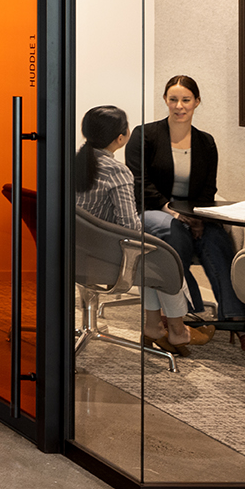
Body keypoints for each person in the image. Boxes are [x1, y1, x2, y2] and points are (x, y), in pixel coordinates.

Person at [126, 75, 245, 351]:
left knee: (217, 242)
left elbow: (208, 188)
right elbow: (140, 183)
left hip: (193, 213)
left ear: (197, 102)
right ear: (165, 101)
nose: (179, 106)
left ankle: (238, 321)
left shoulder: (206, 143)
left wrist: (199, 219)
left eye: (186, 100)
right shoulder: (145, 135)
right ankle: (181, 317)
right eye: (173, 100)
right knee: (175, 231)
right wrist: (172, 210)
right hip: (153, 209)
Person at [73, 105, 192, 355]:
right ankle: (177, 330)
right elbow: (130, 227)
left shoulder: (69, 163)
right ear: (121, 137)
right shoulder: (117, 171)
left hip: (70, 252)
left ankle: (155, 327)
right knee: (162, 260)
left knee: (153, 250)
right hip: (102, 258)